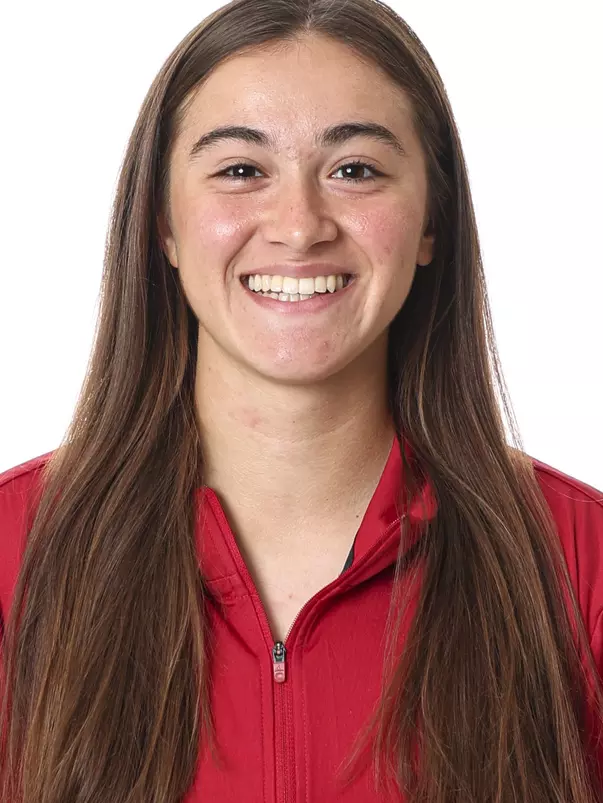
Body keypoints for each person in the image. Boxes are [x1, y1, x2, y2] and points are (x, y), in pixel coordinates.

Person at [1, 0, 602, 800]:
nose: (298, 225)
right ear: (164, 226)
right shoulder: (15, 556)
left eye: (354, 169)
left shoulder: (577, 561)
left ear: (432, 222)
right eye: (241, 170)